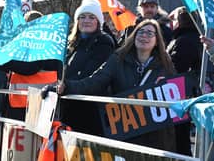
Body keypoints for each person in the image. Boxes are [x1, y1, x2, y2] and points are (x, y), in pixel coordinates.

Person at [59, 19, 176, 151]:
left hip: (157, 137)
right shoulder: (118, 59)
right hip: (125, 133)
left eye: (150, 33)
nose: (144, 36)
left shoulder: (166, 65)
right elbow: (95, 82)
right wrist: (66, 86)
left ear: (157, 41)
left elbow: (179, 95)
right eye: (140, 32)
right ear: (134, 37)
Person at [59, 0, 115, 136]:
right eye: (82, 17)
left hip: (90, 110)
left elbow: (92, 76)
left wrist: (66, 85)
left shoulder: (104, 42)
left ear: (98, 21)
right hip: (68, 107)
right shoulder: (71, 44)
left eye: (91, 17)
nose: (86, 21)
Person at [166, 6, 202, 156]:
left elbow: (176, 69)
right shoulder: (195, 38)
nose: (170, 23)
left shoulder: (183, 41)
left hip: (181, 96)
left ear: (181, 21)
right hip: (189, 95)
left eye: (173, 19)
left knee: (180, 142)